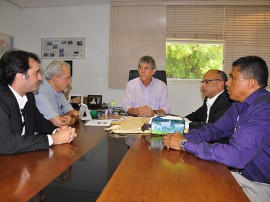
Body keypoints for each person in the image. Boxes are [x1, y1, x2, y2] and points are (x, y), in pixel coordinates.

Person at [163, 56, 270, 201]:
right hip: (242, 177)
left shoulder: (264, 109)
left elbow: (237, 155)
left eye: (233, 77)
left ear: (250, 83)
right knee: (183, 181)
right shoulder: (239, 104)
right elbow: (214, 130)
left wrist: (184, 144)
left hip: (261, 186)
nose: (227, 82)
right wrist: (181, 138)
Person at [0, 49, 76, 154]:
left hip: (22, 160)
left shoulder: (29, 96)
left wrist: (57, 131)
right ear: (20, 77)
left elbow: (38, 121)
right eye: (36, 73)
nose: (40, 78)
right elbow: (5, 143)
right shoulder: (2, 100)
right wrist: (52, 139)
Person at [35, 60, 79, 127]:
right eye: (67, 78)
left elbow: (75, 113)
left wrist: (72, 119)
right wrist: (68, 117)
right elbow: (58, 122)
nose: (70, 82)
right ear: (55, 78)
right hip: (42, 135)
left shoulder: (59, 91)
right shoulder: (39, 92)